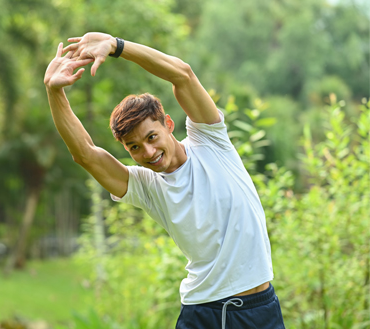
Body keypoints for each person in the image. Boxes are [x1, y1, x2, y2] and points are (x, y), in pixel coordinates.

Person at [44, 32, 286, 329]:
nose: (148, 152)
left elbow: (182, 75)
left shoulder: (210, 141)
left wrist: (118, 46)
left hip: (263, 309)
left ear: (168, 124)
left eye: (151, 137)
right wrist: (54, 92)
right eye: (134, 147)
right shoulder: (147, 187)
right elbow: (86, 154)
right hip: (206, 314)